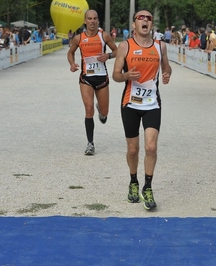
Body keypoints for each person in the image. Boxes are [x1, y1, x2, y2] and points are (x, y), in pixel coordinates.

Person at [112, 10, 172, 211]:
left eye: (149, 19)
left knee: (151, 147)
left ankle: (147, 187)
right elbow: (115, 75)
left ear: (151, 25)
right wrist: (127, 75)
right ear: (134, 24)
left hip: (152, 104)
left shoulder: (160, 46)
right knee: (132, 149)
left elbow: (167, 67)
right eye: (141, 18)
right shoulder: (125, 46)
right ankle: (133, 182)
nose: (145, 20)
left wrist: (166, 74)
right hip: (130, 103)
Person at [67, 9, 118, 155]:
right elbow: (70, 52)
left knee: (104, 112)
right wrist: (72, 64)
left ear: (98, 21)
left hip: (102, 78)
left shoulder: (104, 36)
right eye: (89, 18)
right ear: (85, 21)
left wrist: (108, 55)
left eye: (95, 18)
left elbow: (117, 51)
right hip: (86, 78)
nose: (92, 21)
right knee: (89, 109)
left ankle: (101, 110)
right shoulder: (79, 38)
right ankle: (90, 143)